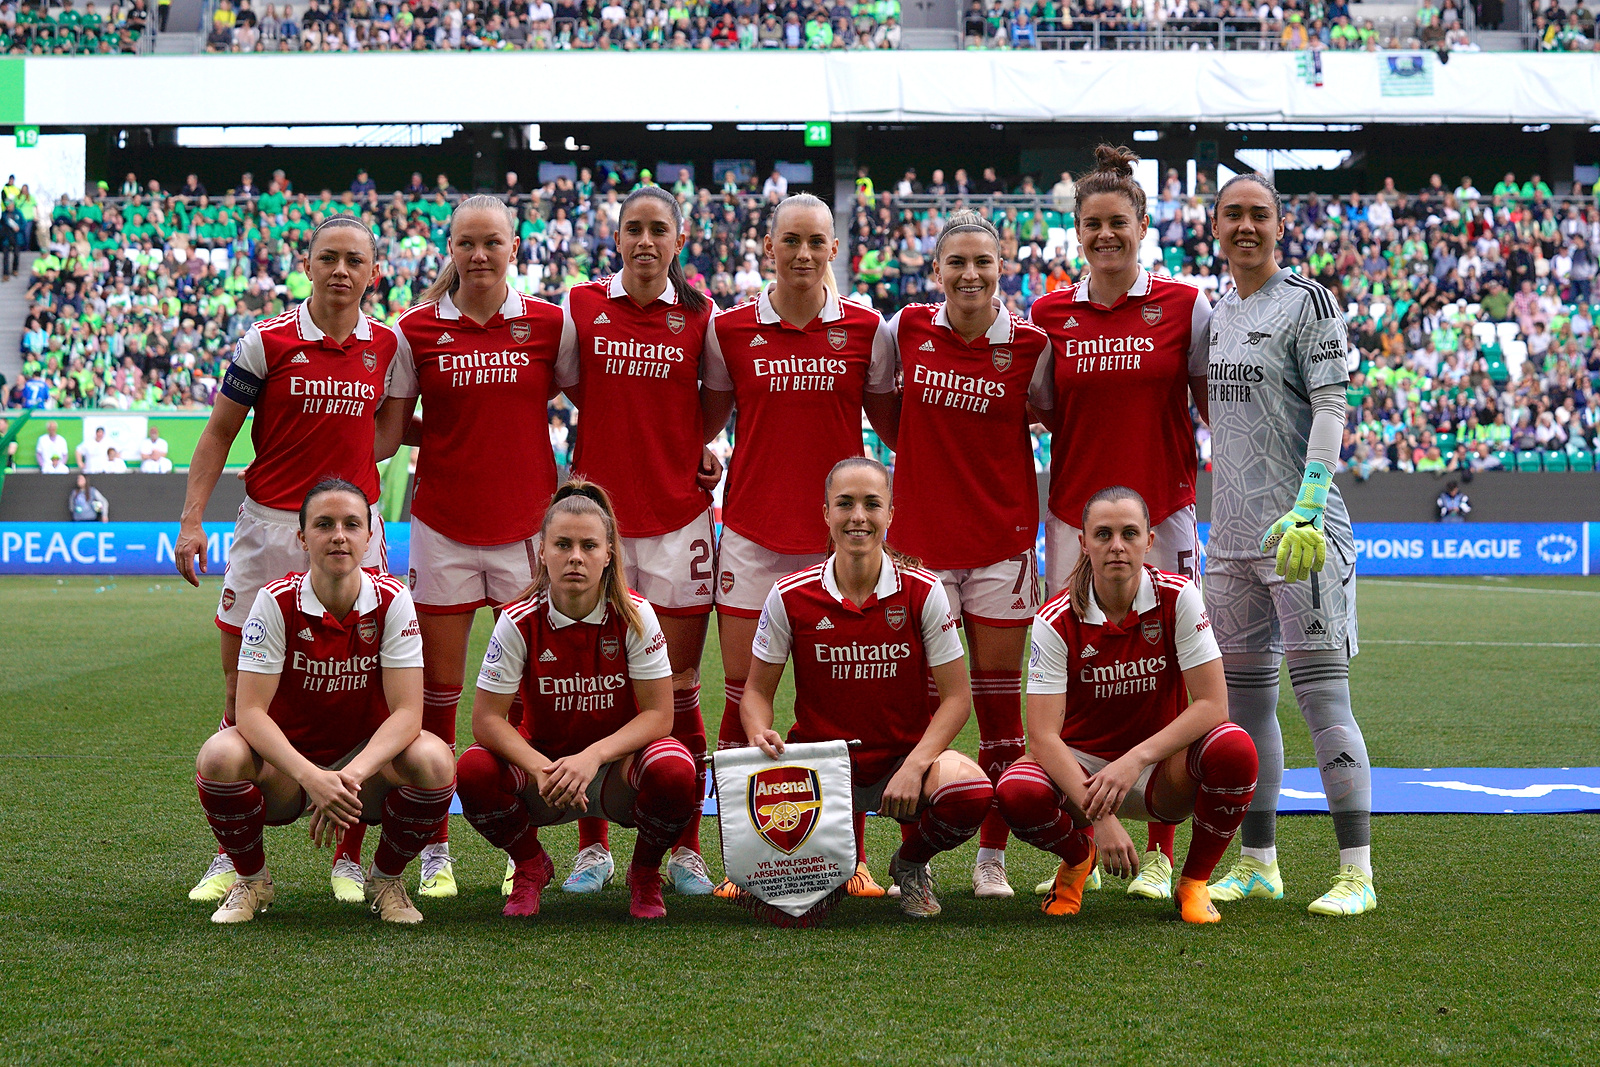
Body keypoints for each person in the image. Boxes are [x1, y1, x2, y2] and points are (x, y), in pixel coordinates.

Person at [176, 216, 409, 907]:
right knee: (236, 693)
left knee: (358, 691)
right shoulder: (267, 340)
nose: (342, 270)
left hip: (350, 531)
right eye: (328, 258)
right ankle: (234, 849)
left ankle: (347, 853)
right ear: (308, 265)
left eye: (355, 260)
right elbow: (220, 430)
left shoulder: (387, 346)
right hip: (269, 528)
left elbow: (389, 434)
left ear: (374, 270)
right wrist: (192, 520)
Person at [699, 193, 899, 897]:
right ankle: (739, 856)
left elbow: (899, 428)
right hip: (751, 535)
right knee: (738, 700)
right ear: (768, 248)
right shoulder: (729, 331)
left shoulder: (868, 330)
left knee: (843, 701)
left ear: (835, 249)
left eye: (817, 241)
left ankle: (854, 856)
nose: (804, 254)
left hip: (839, 545)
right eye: (792, 241)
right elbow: (703, 422)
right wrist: (701, 461)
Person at [1027, 144, 1213, 897]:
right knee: (1077, 676)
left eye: (1119, 223)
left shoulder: (1185, 305)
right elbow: (1039, 412)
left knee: (1164, 674)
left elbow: (1210, 404)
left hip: (1164, 515)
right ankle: (1081, 837)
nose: (1106, 235)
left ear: (1143, 225)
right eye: (1092, 225)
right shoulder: (1048, 315)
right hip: (1075, 518)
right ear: (1078, 233)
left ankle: (1161, 848)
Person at [1204, 173, 1376, 917]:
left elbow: (1334, 403)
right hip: (1234, 540)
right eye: (1232, 215)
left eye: (1259, 215)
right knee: (1244, 713)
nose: (1246, 226)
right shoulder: (1218, 311)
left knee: (1322, 701)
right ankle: (1259, 860)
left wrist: (1309, 502)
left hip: (1301, 536)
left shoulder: (1309, 301)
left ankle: (1357, 871)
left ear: (1280, 225)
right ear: (1215, 227)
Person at [387, 195, 567, 900]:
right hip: (443, 526)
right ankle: (433, 845)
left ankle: (516, 836)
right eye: (467, 243)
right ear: (451, 248)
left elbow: (603, 403)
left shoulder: (550, 324)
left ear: (515, 247)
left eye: (493, 242)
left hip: (529, 530)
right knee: (437, 692)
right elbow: (396, 425)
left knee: (529, 690)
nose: (480, 254)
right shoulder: (417, 328)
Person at [556, 185, 724, 897]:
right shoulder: (582, 306)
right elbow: (569, 384)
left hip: (679, 523)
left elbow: (712, 403)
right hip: (599, 529)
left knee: (681, 687)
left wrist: (690, 449)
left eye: (660, 229)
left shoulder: (701, 314)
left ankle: (682, 845)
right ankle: (592, 844)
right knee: (594, 690)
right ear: (617, 238)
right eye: (635, 229)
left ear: (678, 239)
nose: (646, 240)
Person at [881, 210, 1052, 900]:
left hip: (1001, 546)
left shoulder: (1031, 346)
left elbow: (1047, 416)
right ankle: (913, 859)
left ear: (1002, 265)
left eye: (983, 261)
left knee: (1000, 709)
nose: (970, 274)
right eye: (956, 262)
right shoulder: (907, 330)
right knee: (921, 711)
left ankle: (991, 857)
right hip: (922, 546)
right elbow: (884, 410)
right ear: (936, 269)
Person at [192, 478, 455, 925]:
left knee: (434, 759)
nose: (339, 535)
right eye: (324, 524)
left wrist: (348, 776)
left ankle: (386, 879)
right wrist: (312, 777)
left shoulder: (392, 600)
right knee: (219, 755)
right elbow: (250, 712)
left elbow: (410, 713)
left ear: (369, 537)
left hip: (363, 775)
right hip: (289, 771)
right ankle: (252, 880)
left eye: (352, 524)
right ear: (302, 537)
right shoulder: (274, 600)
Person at [995, 486, 1257, 924]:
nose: (1117, 546)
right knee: (1017, 791)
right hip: (1081, 772)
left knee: (1235, 748)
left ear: (1149, 541)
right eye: (1103, 534)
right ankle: (1079, 858)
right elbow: (1041, 736)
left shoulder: (1179, 597)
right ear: (1083, 543)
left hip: (1158, 771)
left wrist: (1134, 760)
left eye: (1129, 533)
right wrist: (1098, 819)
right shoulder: (1055, 618)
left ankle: (1194, 883)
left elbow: (1213, 705)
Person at [741, 458, 991, 917]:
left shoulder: (924, 590)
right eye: (845, 504)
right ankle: (832, 868)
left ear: (890, 514)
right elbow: (756, 692)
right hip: (819, 770)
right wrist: (759, 731)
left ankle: (911, 863)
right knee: (795, 913)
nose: (858, 515)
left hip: (901, 762)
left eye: (872, 504)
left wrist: (915, 766)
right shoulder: (789, 594)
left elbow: (958, 699)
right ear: (825, 514)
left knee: (968, 792)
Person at [456, 481, 699, 920]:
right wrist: (537, 767)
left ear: (608, 554)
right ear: (542, 552)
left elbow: (661, 715)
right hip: (546, 772)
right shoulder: (517, 620)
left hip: (619, 770)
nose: (575, 557)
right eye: (563, 544)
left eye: (589, 546)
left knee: (675, 770)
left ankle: (644, 872)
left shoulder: (635, 614)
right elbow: (486, 721)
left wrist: (592, 756)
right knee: (473, 770)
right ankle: (531, 865)